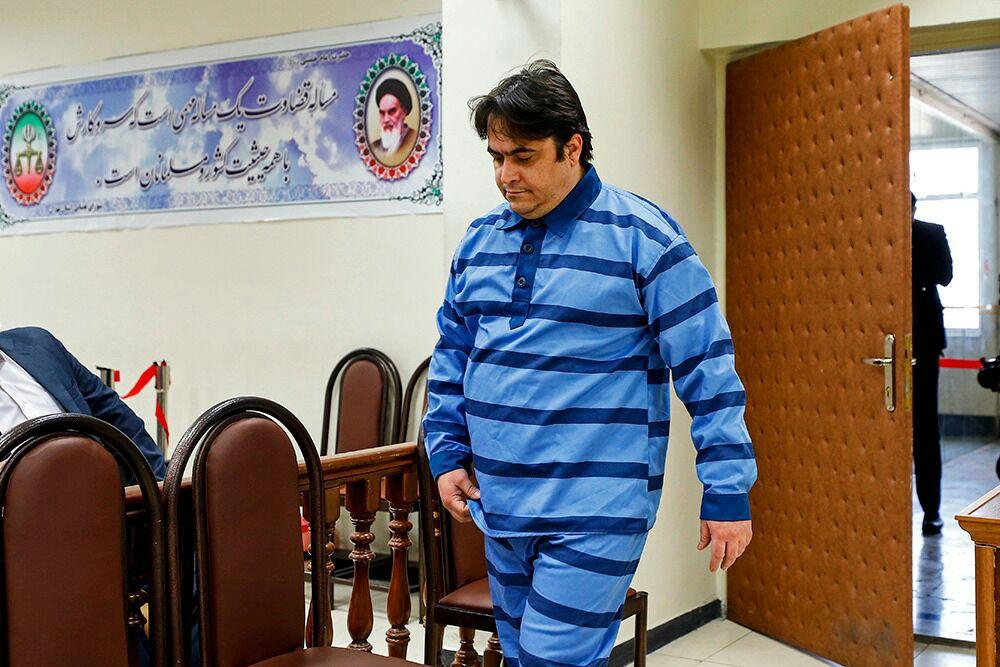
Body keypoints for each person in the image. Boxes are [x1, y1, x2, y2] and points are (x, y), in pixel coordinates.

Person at [423, 60, 757, 666]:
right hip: (501, 504)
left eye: (523, 156)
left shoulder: (643, 238)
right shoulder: (478, 243)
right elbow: (452, 357)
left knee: (554, 660)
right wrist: (445, 454)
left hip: (597, 510)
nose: (505, 175)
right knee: (523, 658)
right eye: (496, 157)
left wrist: (727, 491)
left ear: (572, 147)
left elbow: (708, 369)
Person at [0, 326, 166, 479]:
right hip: (28, 498)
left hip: (103, 490)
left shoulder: (38, 344)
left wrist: (159, 489)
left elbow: (120, 421)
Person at [911, 192, 953, 536]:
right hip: (886, 336)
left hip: (924, 341)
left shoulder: (930, 233)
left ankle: (931, 510)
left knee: (926, 428)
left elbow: (946, 275)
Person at [371, 77, 418, 167]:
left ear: (404, 112)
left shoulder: (415, 140)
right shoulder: (373, 147)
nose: (386, 119)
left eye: (392, 111)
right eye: (382, 113)